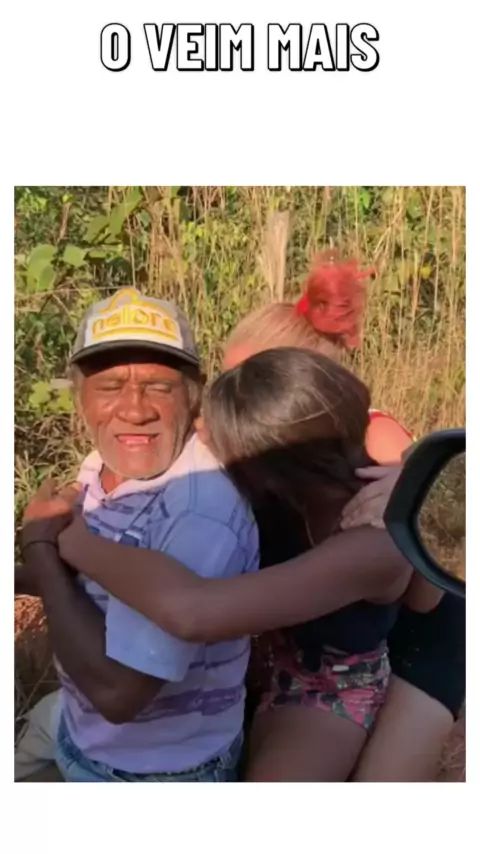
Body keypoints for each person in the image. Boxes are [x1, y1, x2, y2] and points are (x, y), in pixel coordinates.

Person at [56, 254, 464, 781]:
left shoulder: (374, 524)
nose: (201, 431)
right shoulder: (283, 477)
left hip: (335, 679)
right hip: (272, 651)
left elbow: (193, 612)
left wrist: (67, 544)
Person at [18, 288, 259, 783]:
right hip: (80, 734)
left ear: (193, 393)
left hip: (148, 774)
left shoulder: (198, 513)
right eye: (110, 386)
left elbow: (118, 695)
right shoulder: (105, 463)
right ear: (80, 397)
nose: (134, 409)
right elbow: (83, 585)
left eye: (158, 386)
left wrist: (39, 547)